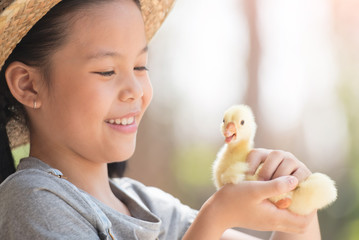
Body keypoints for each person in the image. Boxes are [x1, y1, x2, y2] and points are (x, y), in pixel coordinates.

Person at [0, 0, 321, 239]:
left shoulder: (154, 208)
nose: (135, 90)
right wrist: (216, 216)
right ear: (28, 85)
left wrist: (296, 212)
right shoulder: (31, 202)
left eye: (141, 67)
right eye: (107, 71)